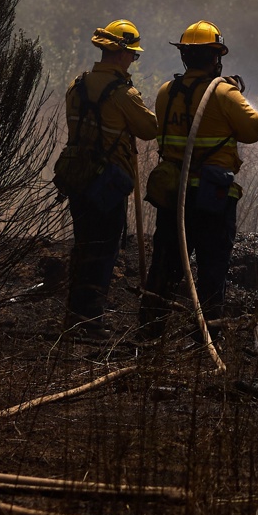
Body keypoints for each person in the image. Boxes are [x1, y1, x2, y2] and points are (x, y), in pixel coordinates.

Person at [140, 21, 258, 335]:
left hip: (174, 195)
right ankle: (207, 337)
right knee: (212, 270)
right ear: (215, 57)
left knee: (164, 266)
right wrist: (235, 93)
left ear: (184, 56)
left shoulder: (166, 92)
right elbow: (254, 129)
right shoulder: (223, 93)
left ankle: (149, 333)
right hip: (213, 199)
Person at [53, 20, 159, 334]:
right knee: (103, 250)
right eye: (133, 55)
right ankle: (89, 320)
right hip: (107, 183)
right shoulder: (123, 93)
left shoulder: (77, 85)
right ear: (121, 53)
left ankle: (75, 314)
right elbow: (149, 129)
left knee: (83, 244)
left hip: (78, 176)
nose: (133, 61)